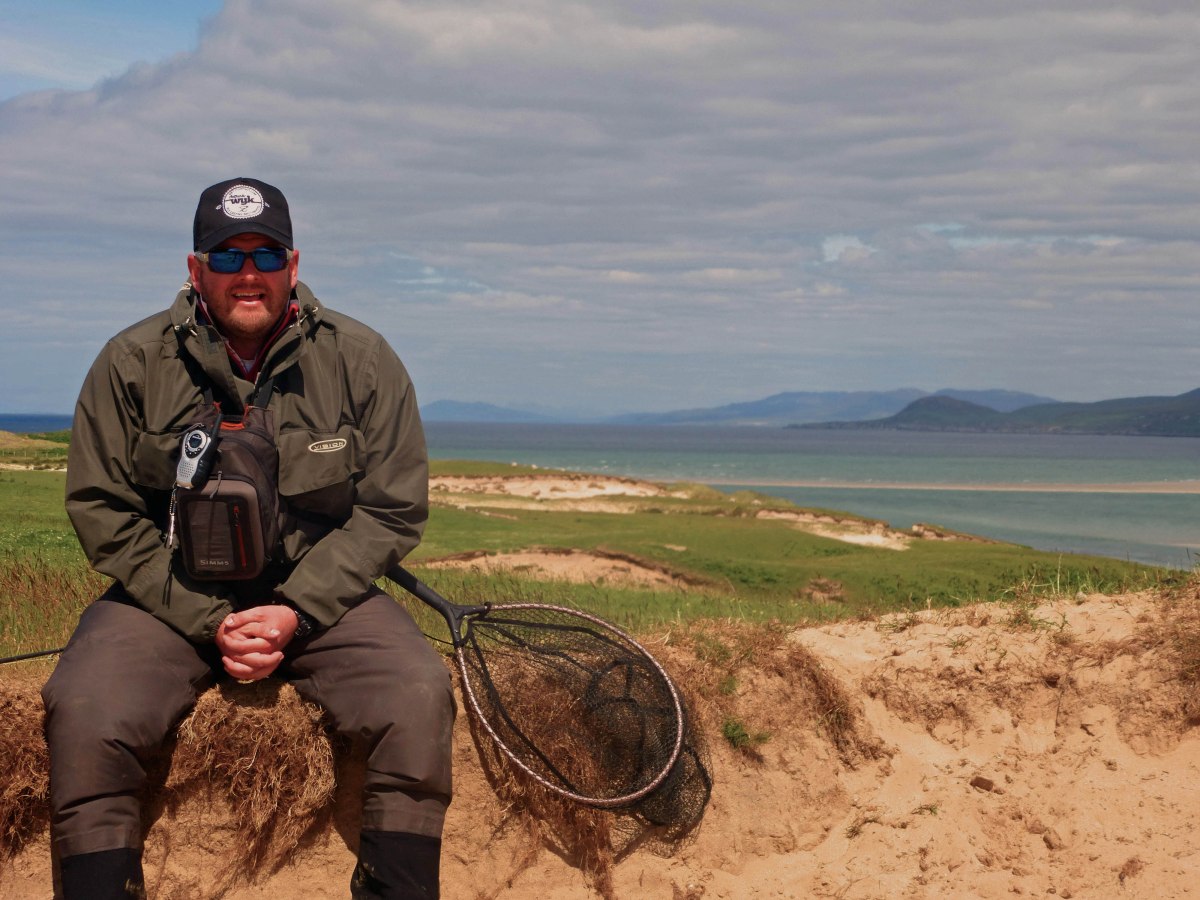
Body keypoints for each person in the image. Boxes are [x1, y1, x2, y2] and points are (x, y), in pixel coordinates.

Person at [42, 178, 454, 899]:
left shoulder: (362, 359)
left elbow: (392, 509)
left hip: (323, 597)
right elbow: (103, 510)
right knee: (86, 708)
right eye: (227, 257)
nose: (249, 274)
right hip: (169, 597)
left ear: (292, 265)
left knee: (417, 693)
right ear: (195, 268)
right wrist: (207, 619)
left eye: (265, 255)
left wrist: (297, 609)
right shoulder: (131, 361)